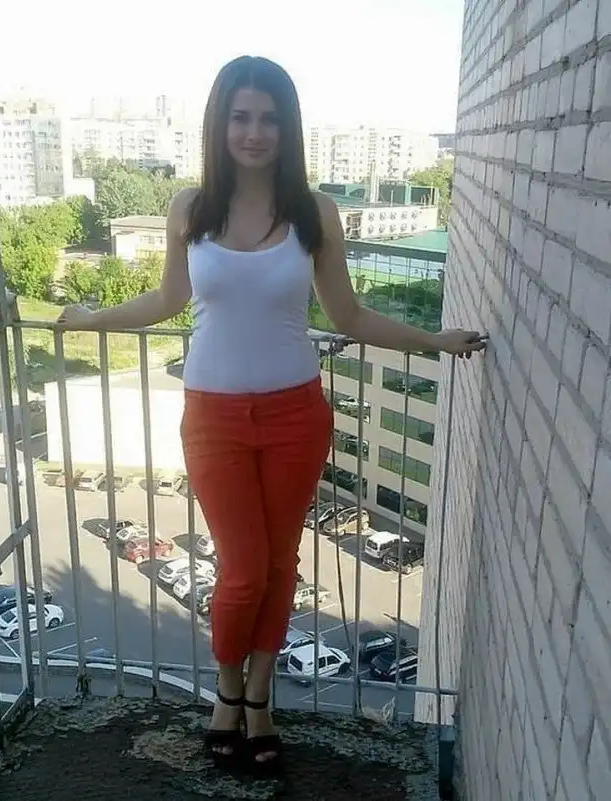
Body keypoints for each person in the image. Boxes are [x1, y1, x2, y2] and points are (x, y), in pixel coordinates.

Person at [58, 55, 485, 775]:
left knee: (281, 563)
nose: (254, 132)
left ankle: (257, 699)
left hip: (295, 416)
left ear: (288, 128)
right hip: (214, 418)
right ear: (219, 124)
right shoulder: (191, 208)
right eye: (241, 117)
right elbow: (166, 300)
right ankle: (227, 692)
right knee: (243, 570)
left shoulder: (314, 213)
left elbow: (348, 315)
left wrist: (434, 341)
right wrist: (90, 317)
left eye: (269, 118)